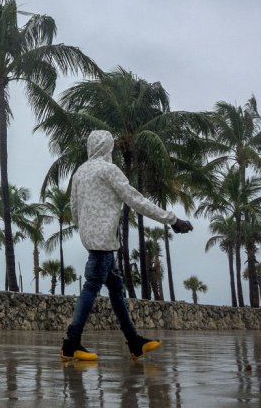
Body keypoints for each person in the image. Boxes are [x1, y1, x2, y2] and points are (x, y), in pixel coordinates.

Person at [61, 130, 194, 362]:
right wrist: (172, 219)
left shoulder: (80, 173)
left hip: (94, 238)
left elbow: (73, 207)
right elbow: (136, 200)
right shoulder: (109, 170)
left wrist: (85, 228)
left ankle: (134, 342)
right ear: (108, 147)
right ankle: (71, 344)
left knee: (116, 289)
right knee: (91, 286)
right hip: (103, 241)